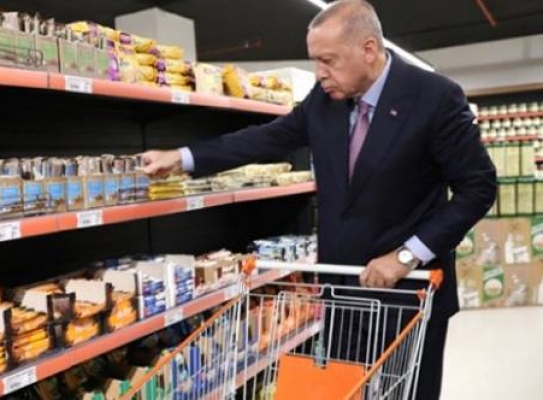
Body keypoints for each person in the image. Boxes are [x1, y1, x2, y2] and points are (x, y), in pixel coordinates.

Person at [141, 1, 496, 399]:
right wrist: (183, 158)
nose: (319, 73)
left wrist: (406, 255)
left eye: (328, 60)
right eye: (315, 61)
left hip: (407, 296)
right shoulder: (325, 100)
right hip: (341, 291)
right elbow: (269, 137)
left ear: (368, 49)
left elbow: (478, 188)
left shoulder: (435, 97)